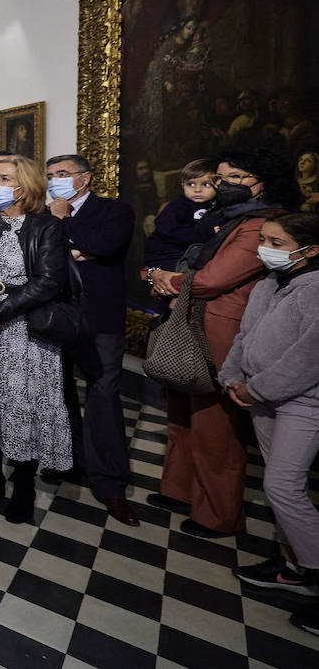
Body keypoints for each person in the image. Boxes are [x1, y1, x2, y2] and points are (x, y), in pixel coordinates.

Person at [149, 149, 300, 537]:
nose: (224, 185)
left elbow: (214, 279)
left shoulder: (261, 225)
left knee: (214, 424)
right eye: (221, 177)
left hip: (221, 328)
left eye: (235, 177)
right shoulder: (227, 219)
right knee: (182, 414)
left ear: (262, 182)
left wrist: (167, 279)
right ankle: (179, 490)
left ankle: (217, 514)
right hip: (193, 320)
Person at [0, 156, 74, 525]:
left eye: (4, 177)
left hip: (24, 329)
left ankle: (23, 485)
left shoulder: (46, 227)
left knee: (21, 407)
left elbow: (49, 281)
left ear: (24, 186)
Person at [219, 212, 319, 626]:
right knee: (277, 483)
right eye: (264, 240)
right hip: (258, 395)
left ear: (310, 251)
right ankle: (292, 566)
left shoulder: (314, 288)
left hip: (303, 400)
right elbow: (245, 336)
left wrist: (256, 388)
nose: (266, 249)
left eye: (276, 243)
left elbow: (308, 356)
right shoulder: (267, 284)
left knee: (284, 487)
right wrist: (232, 375)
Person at [43, 153, 140, 526]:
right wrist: (73, 247)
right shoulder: (44, 212)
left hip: (100, 318)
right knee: (59, 392)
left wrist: (64, 221)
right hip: (56, 316)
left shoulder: (115, 211)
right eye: (51, 175)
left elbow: (104, 246)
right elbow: (43, 255)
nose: (56, 181)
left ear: (85, 178)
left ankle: (111, 483)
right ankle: (69, 460)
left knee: (103, 395)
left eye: (63, 174)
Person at [142, 158, 217, 274]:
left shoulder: (215, 205)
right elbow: (166, 229)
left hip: (186, 254)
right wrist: (205, 234)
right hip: (166, 256)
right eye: (190, 184)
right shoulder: (179, 204)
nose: (197, 190)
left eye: (206, 184)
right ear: (183, 185)